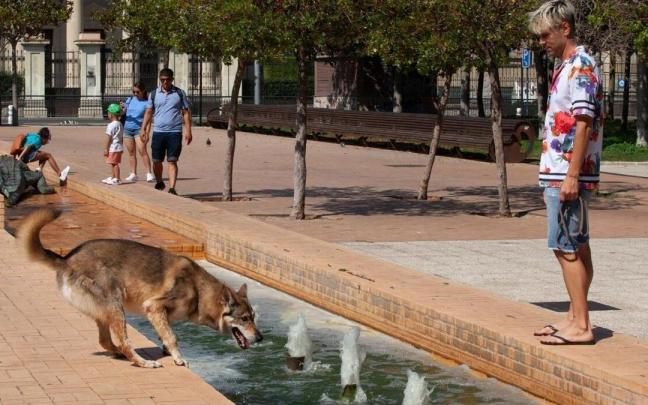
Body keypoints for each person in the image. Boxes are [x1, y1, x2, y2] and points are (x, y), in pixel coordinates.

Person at [529, 0, 604, 345]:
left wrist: (572, 175)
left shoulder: (581, 66)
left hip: (566, 173)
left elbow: (584, 122)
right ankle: (575, 316)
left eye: (545, 34)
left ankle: (582, 325)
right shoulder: (569, 66)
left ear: (565, 29)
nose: (541, 40)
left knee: (566, 246)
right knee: (577, 245)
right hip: (561, 170)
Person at [142, 68, 192, 195]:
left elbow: (185, 113)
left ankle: (172, 188)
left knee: (172, 160)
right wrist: (143, 129)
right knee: (157, 160)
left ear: (172, 79)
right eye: (162, 80)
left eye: (167, 80)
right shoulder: (153, 94)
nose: (165, 82)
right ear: (160, 79)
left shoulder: (180, 93)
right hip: (158, 132)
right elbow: (148, 112)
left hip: (174, 132)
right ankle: (159, 181)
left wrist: (188, 131)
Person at [120, 81, 155, 183]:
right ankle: (133, 174)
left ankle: (149, 173)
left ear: (143, 91)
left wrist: (147, 132)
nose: (135, 94)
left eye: (137, 92)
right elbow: (123, 112)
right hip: (127, 129)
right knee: (131, 152)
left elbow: (148, 119)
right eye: (134, 91)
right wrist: (121, 108)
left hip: (139, 129)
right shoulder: (130, 99)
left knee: (142, 151)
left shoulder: (147, 102)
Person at [102, 103, 125, 185]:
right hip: (118, 147)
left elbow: (108, 138)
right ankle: (113, 177)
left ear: (111, 114)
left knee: (114, 164)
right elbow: (122, 137)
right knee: (113, 163)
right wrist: (122, 147)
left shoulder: (111, 125)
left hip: (113, 147)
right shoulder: (120, 124)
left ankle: (117, 178)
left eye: (108, 113)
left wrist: (106, 148)